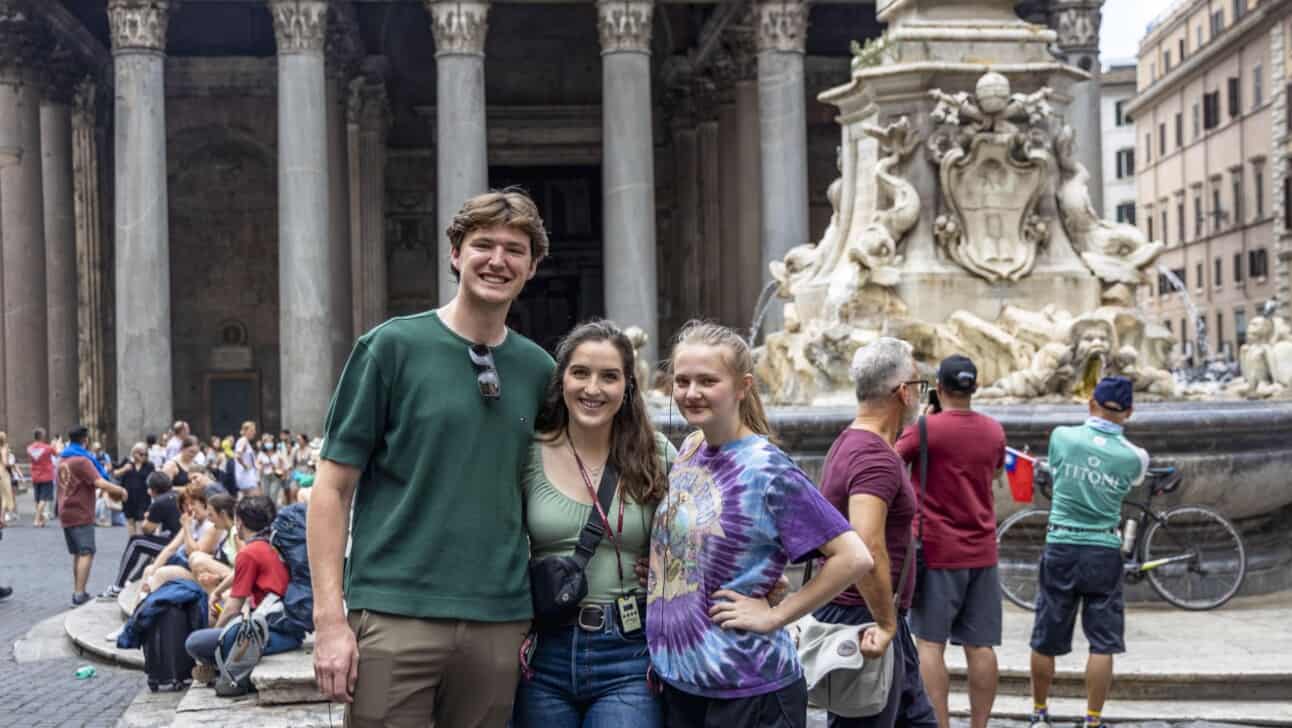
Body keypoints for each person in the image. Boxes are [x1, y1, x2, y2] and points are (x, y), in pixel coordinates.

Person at [311, 189, 558, 727]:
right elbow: (330, 489)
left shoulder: (539, 370)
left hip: (500, 617)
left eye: (515, 250)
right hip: (396, 612)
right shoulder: (390, 348)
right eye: (483, 244)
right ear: (455, 254)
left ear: (533, 266)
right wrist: (330, 620)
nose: (498, 260)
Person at [647, 321, 872, 728]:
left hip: (750, 689)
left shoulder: (767, 467)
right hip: (683, 683)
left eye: (707, 380)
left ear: (742, 386)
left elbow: (853, 556)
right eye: (682, 381)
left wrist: (776, 615)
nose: (691, 393)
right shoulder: (691, 448)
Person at [512, 321, 675, 728]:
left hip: (628, 651)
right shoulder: (529, 453)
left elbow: (704, 531)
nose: (593, 389)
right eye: (580, 372)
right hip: (544, 647)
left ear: (628, 387)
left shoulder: (658, 455)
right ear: (561, 379)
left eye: (609, 376)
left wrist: (670, 569)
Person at [812, 338, 939, 728]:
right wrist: (885, 623)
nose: (921, 394)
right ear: (903, 393)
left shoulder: (850, 441)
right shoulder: (874, 457)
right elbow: (867, 546)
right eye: (918, 385)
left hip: (875, 615)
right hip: (865, 617)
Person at [895, 355, 1006, 728]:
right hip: (983, 552)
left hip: (937, 551)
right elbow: (992, 473)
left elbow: (889, 462)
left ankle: (939, 725)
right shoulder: (994, 431)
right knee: (981, 646)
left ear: (939, 388)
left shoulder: (926, 429)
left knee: (929, 643)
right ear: (974, 388)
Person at [1029, 377, 1147, 728]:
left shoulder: (1061, 437)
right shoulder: (1134, 457)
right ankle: (1092, 720)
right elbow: (1136, 481)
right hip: (1103, 549)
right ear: (1129, 412)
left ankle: (1039, 712)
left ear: (1091, 403)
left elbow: (1054, 469)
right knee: (1103, 641)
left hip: (1062, 544)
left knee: (1045, 636)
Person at [186, 496, 302, 683]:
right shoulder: (273, 543)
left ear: (239, 522)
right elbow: (240, 573)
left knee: (195, 641)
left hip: (270, 635)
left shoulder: (249, 552)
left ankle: (216, 666)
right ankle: (217, 665)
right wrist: (217, 591)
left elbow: (232, 609)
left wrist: (216, 638)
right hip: (289, 630)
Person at [59, 425, 128, 606]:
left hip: (65, 510)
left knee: (78, 553)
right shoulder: (82, 460)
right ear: (85, 440)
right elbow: (99, 482)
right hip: (80, 510)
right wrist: (119, 489)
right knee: (86, 551)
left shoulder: (63, 459)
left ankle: (77, 590)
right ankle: (79, 593)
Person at [99, 471, 182, 600]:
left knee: (136, 542)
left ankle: (118, 586)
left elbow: (147, 530)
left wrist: (148, 516)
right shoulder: (177, 495)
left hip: (177, 545)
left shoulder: (159, 502)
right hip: (180, 540)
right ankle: (131, 581)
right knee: (150, 544)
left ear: (151, 489)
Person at [113, 442, 156, 536]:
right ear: (134, 452)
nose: (143, 456)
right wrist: (124, 469)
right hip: (128, 496)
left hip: (143, 497)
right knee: (130, 521)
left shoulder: (149, 465)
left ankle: (139, 544)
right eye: (140, 453)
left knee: (140, 522)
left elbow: (153, 479)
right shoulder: (127, 462)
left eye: (145, 454)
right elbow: (115, 474)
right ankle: (132, 543)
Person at [28, 428, 57, 527]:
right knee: (44, 498)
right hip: (47, 475)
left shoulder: (30, 448)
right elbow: (57, 454)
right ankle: (37, 519)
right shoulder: (48, 448)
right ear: (42, 436)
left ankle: (41, 519)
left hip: (35, 475)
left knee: (37, 498)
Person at [234, 421, 261, 496]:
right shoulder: (243, 441)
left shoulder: (245, 441)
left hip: (248, 476)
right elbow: (238, 456)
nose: (254, 432)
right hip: (246, 477)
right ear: (245, 431)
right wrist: (245, 465)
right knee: (255, 498)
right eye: (252, 430)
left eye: (254, 430)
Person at [0, 432, 17, 524]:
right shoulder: (3, 448)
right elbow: (5, 462)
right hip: (2, 473)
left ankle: (2, 518)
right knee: (5, 495)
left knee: (2, 495)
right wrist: (12, 465)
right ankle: (2, 518)